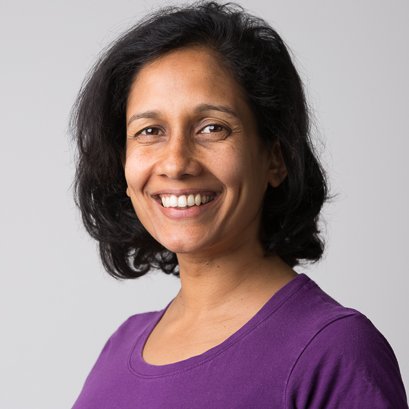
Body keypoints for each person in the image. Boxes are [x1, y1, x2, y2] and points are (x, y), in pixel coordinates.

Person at [70, 1, 408, 408]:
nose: (176, 163)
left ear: (275, 158)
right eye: (150, 131)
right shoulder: (120, 346)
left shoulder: (334, 352)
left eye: (212, 128)